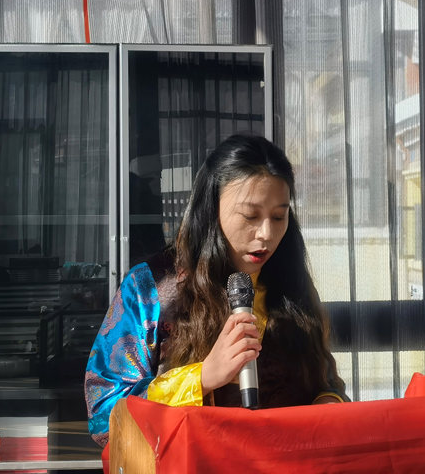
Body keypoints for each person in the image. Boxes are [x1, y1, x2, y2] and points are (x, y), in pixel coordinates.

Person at [84, 134, 347, 446]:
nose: (266, 233)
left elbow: (327, 382)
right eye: (250, 215)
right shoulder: (152, 287)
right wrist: (201, 377)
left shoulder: (293, 287)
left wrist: (328, 404)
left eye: (279, 216)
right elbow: (104, 416)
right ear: (211, 210)